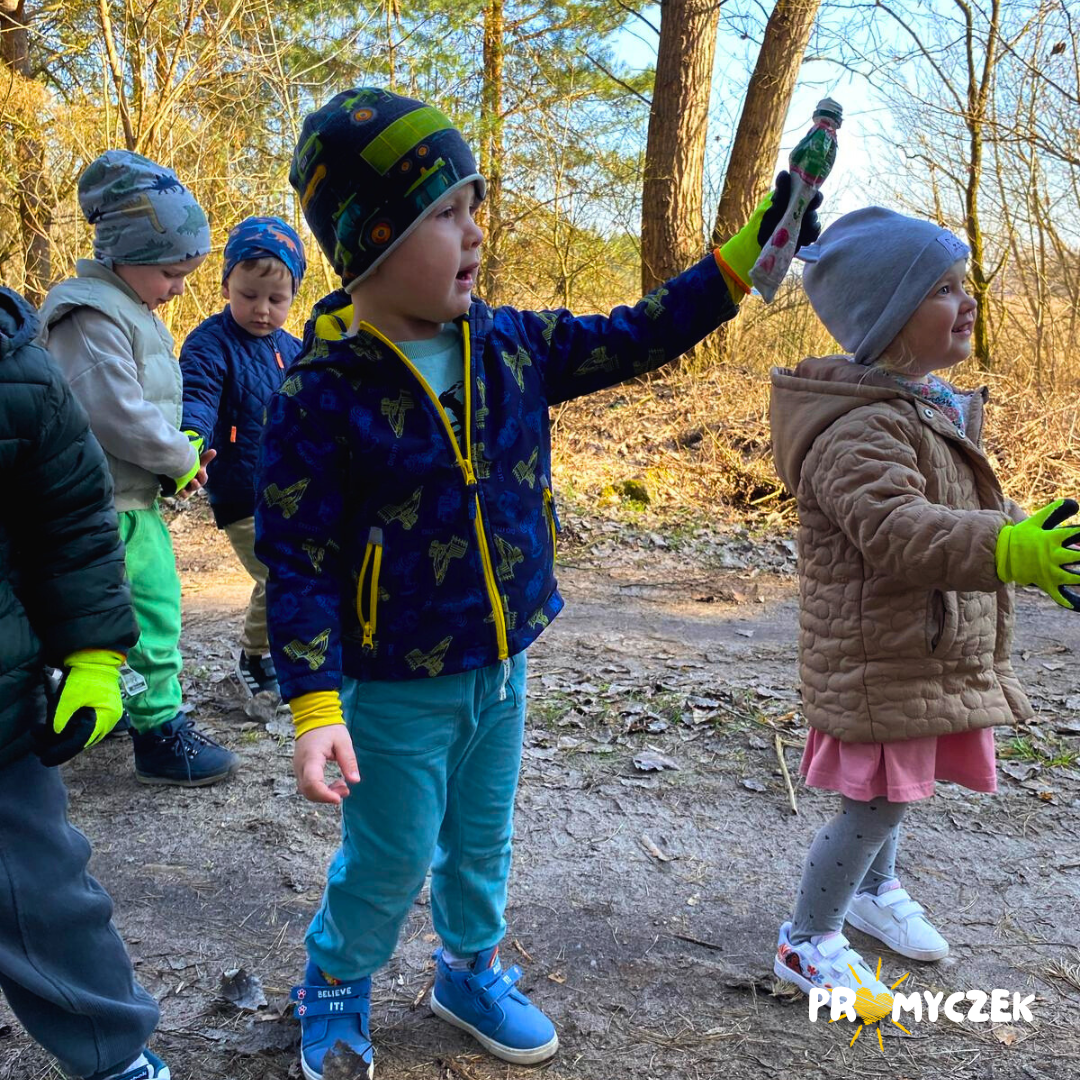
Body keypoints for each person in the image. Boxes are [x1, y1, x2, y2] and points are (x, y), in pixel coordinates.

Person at [255, 86, 821, 1080]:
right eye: (445, 212)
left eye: (475, 206)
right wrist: (312, 704)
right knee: (387, 858)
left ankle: (468, 969)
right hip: (392, 687)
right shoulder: (321, 389)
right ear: (370, 240)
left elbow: (637, 330)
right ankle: (337, 980)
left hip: (503, 666)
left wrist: (741, 259)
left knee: (481, 843)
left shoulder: (511, 346)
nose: (475, 232)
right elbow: (297, 554)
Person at [768, 207, 1080, 1006]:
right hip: (879, 655)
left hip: (916, 647)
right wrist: (1006, 547)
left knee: (896, 794)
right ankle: (807, 942)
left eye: (962, 281)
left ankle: (873, 896)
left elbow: (946, 499)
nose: (966, 299)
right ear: (888, 323)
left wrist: (1016, 531)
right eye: (942, 288)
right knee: (873, 804)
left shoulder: (923, 403)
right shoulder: (858, 428)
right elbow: (900, 531)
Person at [0, 285, 170, 1080]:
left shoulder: (17, 370)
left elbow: (70, 519)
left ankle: (111, 1055)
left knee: (42, 897)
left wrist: (97, 657)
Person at [37, 150, 238, 787]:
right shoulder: (89, 316)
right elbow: (114, 412)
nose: (180, 286)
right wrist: (178, 455)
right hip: (105, 507)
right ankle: (158, 733)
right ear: (127, 254)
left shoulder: (126, 308)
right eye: (172, 272)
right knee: (150, 611)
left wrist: (176, 450)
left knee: (134, 609)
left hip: (130, 498)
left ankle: (114, 702)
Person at [180, 215, 306, 699]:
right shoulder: (211, 343)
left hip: (293, 488)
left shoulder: (295, 349)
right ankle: (256, 656)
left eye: (277, 300)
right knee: (277, 572)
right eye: (248, 295)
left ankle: (268, 649)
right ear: (226, 283)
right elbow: (198, 395)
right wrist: (190, 440)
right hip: (239, 486)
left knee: (293, 569)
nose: (261, 310)